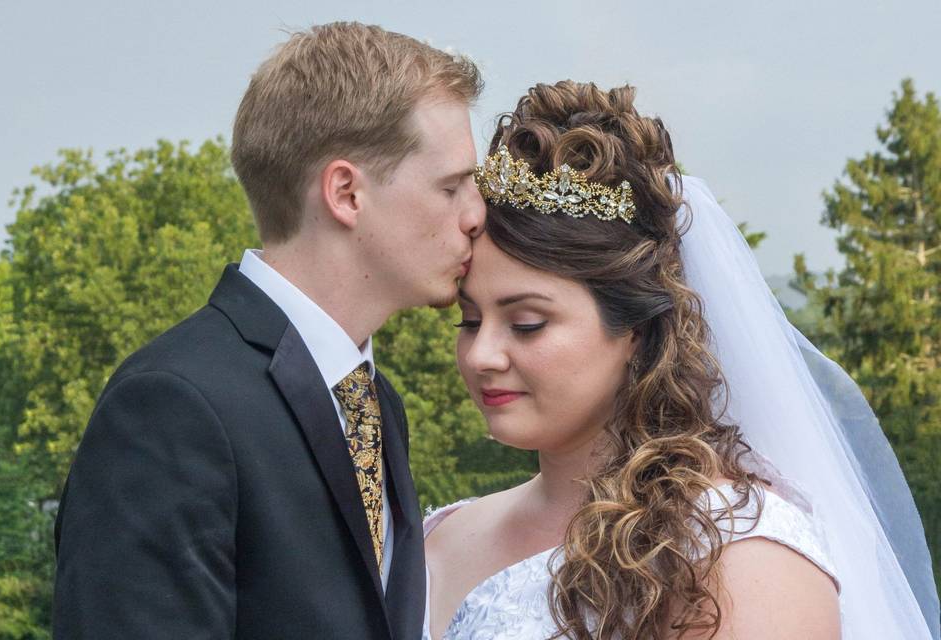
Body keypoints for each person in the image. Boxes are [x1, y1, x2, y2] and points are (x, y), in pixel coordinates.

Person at [423, 81, 940, 639]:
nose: (481, 355)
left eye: (527, 324)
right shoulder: (437, 539)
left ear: (637, 331)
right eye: (469, 320)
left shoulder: (738, 552)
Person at [52, 22, 485, 640]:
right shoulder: (172, 407)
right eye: (451, 187)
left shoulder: (375, 403)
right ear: (345, 193)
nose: (475, 215)